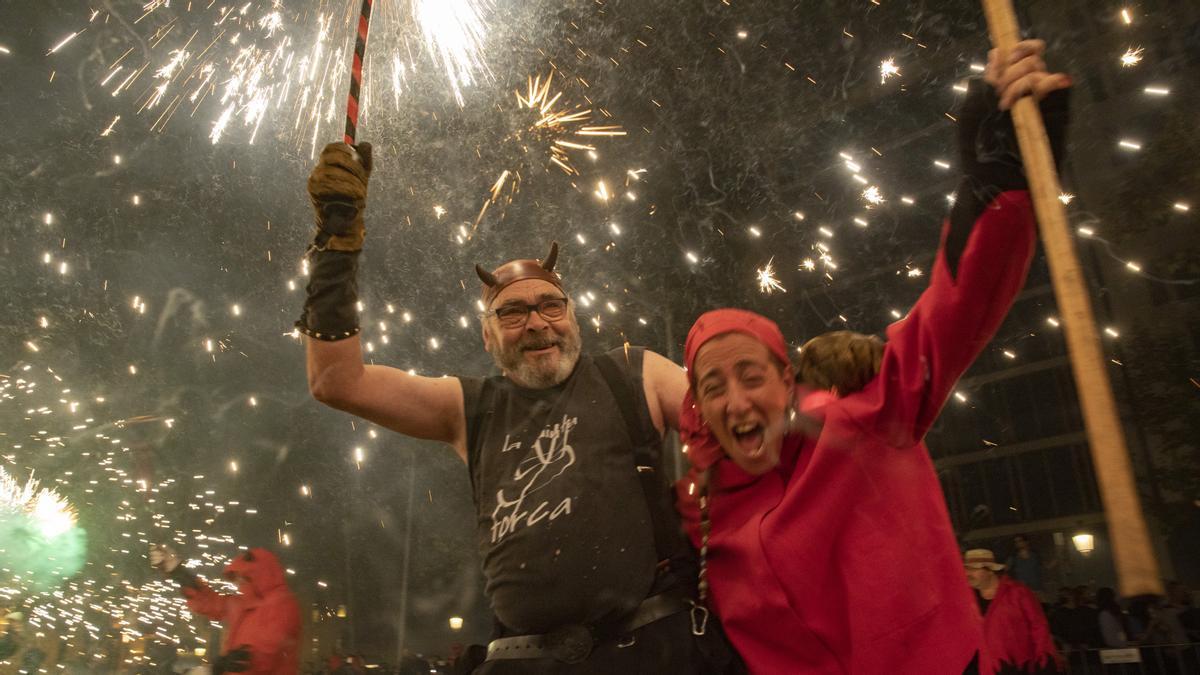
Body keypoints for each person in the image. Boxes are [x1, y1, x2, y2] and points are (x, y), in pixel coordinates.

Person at [672, 40, 1071, 674]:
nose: (737, 400)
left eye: (751, 375)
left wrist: (996, 183)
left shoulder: (866, 415)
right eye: (714, 386)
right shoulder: (697, 513)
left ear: (787, 376)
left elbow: (957, 309)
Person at [299, 133, 739, 672]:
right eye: (511, 313)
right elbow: (337, 381)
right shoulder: (470, 408)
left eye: (550, 305)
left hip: (649, 653)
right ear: (487, 338)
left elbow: (739, 424)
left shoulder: (634, 373)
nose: (535, 322)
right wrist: (335, 246)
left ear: (574, 317)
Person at [150, 545, 301, 674]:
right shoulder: (243, 604)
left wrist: (218, 667)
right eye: (236, 578)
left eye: (241, 577)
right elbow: (209, 601)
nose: (237, 582)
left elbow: (263, 657)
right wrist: (178, 571)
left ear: (255, 575)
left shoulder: (282, 605)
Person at [965, 549, 1063, 674]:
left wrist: (1043, 663)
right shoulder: (968, 601)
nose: (967, 573)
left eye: (973, 569)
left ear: (989, 570)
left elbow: (1039, 628)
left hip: (1018, 667)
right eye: (966, 569)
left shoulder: (1017, 592)